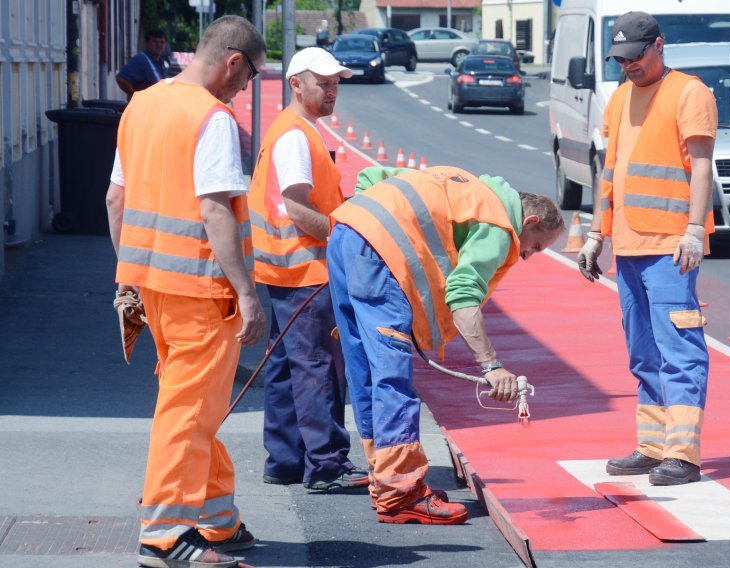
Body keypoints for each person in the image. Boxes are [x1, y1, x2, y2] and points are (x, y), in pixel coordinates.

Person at [105, 15, 267, 568]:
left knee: (198, 405)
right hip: (202, 288)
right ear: (233, 63)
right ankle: (165, 533)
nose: (242, 92)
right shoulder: (211, 117)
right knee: (190, 407)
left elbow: (115, 200)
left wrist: (129, 272)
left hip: (155, 286)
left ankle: (217, 518)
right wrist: (246, 292)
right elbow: (215, 208)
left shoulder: (142, 106)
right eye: (246, 81)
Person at [327, 165, 564, 524]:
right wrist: (491, 365)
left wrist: (362, 237)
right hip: (376, 253)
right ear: (528, 221)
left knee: (365, 370)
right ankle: (402, 493)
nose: (527, 256)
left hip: (347, 232)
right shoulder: (499, 226)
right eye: (535, 246)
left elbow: (371, 176)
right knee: (391, 373)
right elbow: (464, 295)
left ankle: (386, 480)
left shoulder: (463, 184)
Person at [577, 11, 717, 486]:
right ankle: (653, 445)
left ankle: (684, 454)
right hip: (630, 244)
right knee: (642, 351)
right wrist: (598, 233)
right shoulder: (617, 98)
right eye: (621, 59)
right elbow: (609, 171)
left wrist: (695, 230)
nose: (629, 66)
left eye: (636, 56)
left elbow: (701, 166)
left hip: (672, 246)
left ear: (659, 46)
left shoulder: (689, 93)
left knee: (679, 347)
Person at [248, 47, 369, 492]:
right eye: (324, 82)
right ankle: (327, 464)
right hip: (305, 273)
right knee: (318, 366)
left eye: (336, 82)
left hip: (285, 271)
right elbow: (297, 207)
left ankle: (284, 460)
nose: (333, 89)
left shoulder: (297, 130)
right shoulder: (296, 135)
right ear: (296, 83)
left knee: (286, 366)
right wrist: (341, 237)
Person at [116, 29, 169, 99]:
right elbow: (121, 79)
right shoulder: (140, 60)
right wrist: (135, 95)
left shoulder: (162, 63)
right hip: (142, 107)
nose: (159, 45)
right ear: (147, 44)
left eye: (162, 42)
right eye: (155, 42)